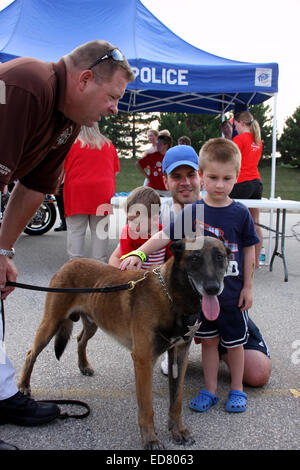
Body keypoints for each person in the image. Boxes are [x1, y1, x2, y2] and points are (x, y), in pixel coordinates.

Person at [0, 39, 134, 448]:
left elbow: (34, 189)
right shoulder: (26, 84)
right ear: (85, 79)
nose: (114, 108)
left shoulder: (68, 121)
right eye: (112, 97)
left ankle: (4, 397)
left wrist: (4, 250)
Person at [120, 138, 262, 414]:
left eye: (227, 178)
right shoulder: (192, 212)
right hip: (200, 299)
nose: (219, 185)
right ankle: (209, 389)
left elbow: (250, 250)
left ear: (236, 177)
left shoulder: (240, 213)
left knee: (240, 350)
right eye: (213, 177)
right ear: (203, 176)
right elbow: (163, 235)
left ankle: (237, 389)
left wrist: (248, 287)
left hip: (231, 296)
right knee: (208, 341)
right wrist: (138, 255)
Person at [109, 144, 201, 268]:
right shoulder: (153, 210)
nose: (185, 182)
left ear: (200, 176)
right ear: (165, 182)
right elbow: (115, 258)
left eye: (191, 174)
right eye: (176, 176)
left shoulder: (217, 211)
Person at [63, 125, 119, 262]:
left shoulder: (70, 144)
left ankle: (75, 267)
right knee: (100, 232)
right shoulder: (108, 144)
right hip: (102, 193)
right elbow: (115, 170)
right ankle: (99, 267)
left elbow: (60, 171)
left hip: (76, 192)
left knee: (76, 231)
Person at [229, 111, 264, 268]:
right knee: (256, 223)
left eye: (235, 124)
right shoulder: (258, 140)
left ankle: (238, 259)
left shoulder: (239, 139)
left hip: (242, 182)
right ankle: (255, 262)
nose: (235, 127)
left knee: (234, 221)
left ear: (241, 123)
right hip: (256, 182)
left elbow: (231, 161)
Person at [120, 186, 172, 269]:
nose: (132, 226)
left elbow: (171, 261)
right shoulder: (127, 233)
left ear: (155, 218)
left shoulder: (165, 233)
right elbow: (126, 264)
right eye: (129, 220)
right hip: (136, 278)